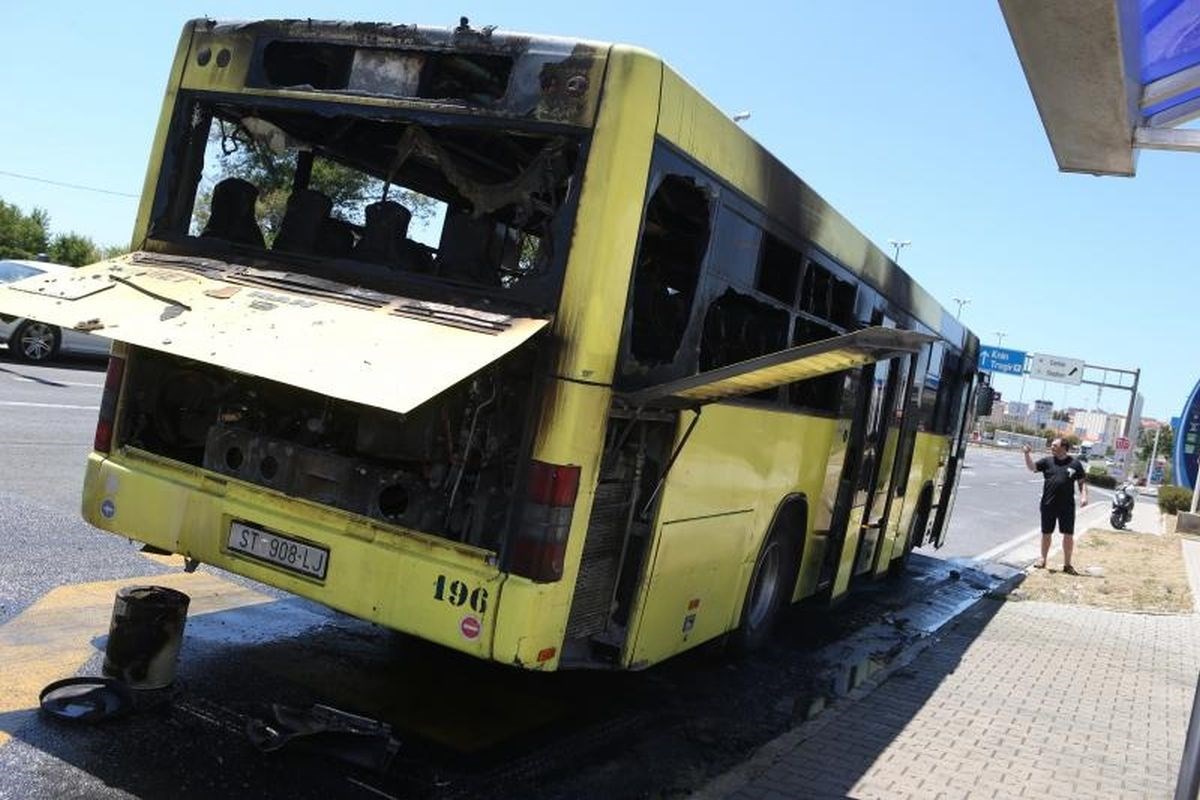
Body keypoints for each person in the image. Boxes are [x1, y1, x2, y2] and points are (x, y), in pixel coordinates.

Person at [1024, 438, 1088, 574]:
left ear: (1064, 448)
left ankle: (1067, 564)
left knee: (1068, 534)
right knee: (1046, 532)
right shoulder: (1047, 461)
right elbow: (1032, 467)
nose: (1051, 447)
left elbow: (1082, 482)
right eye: (1051, 445)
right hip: (1048, 503)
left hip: (1067, 506)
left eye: (1054, 445)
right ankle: (1043, 559)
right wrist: (1026, 454)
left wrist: (1084, 496)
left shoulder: (1075, 464)